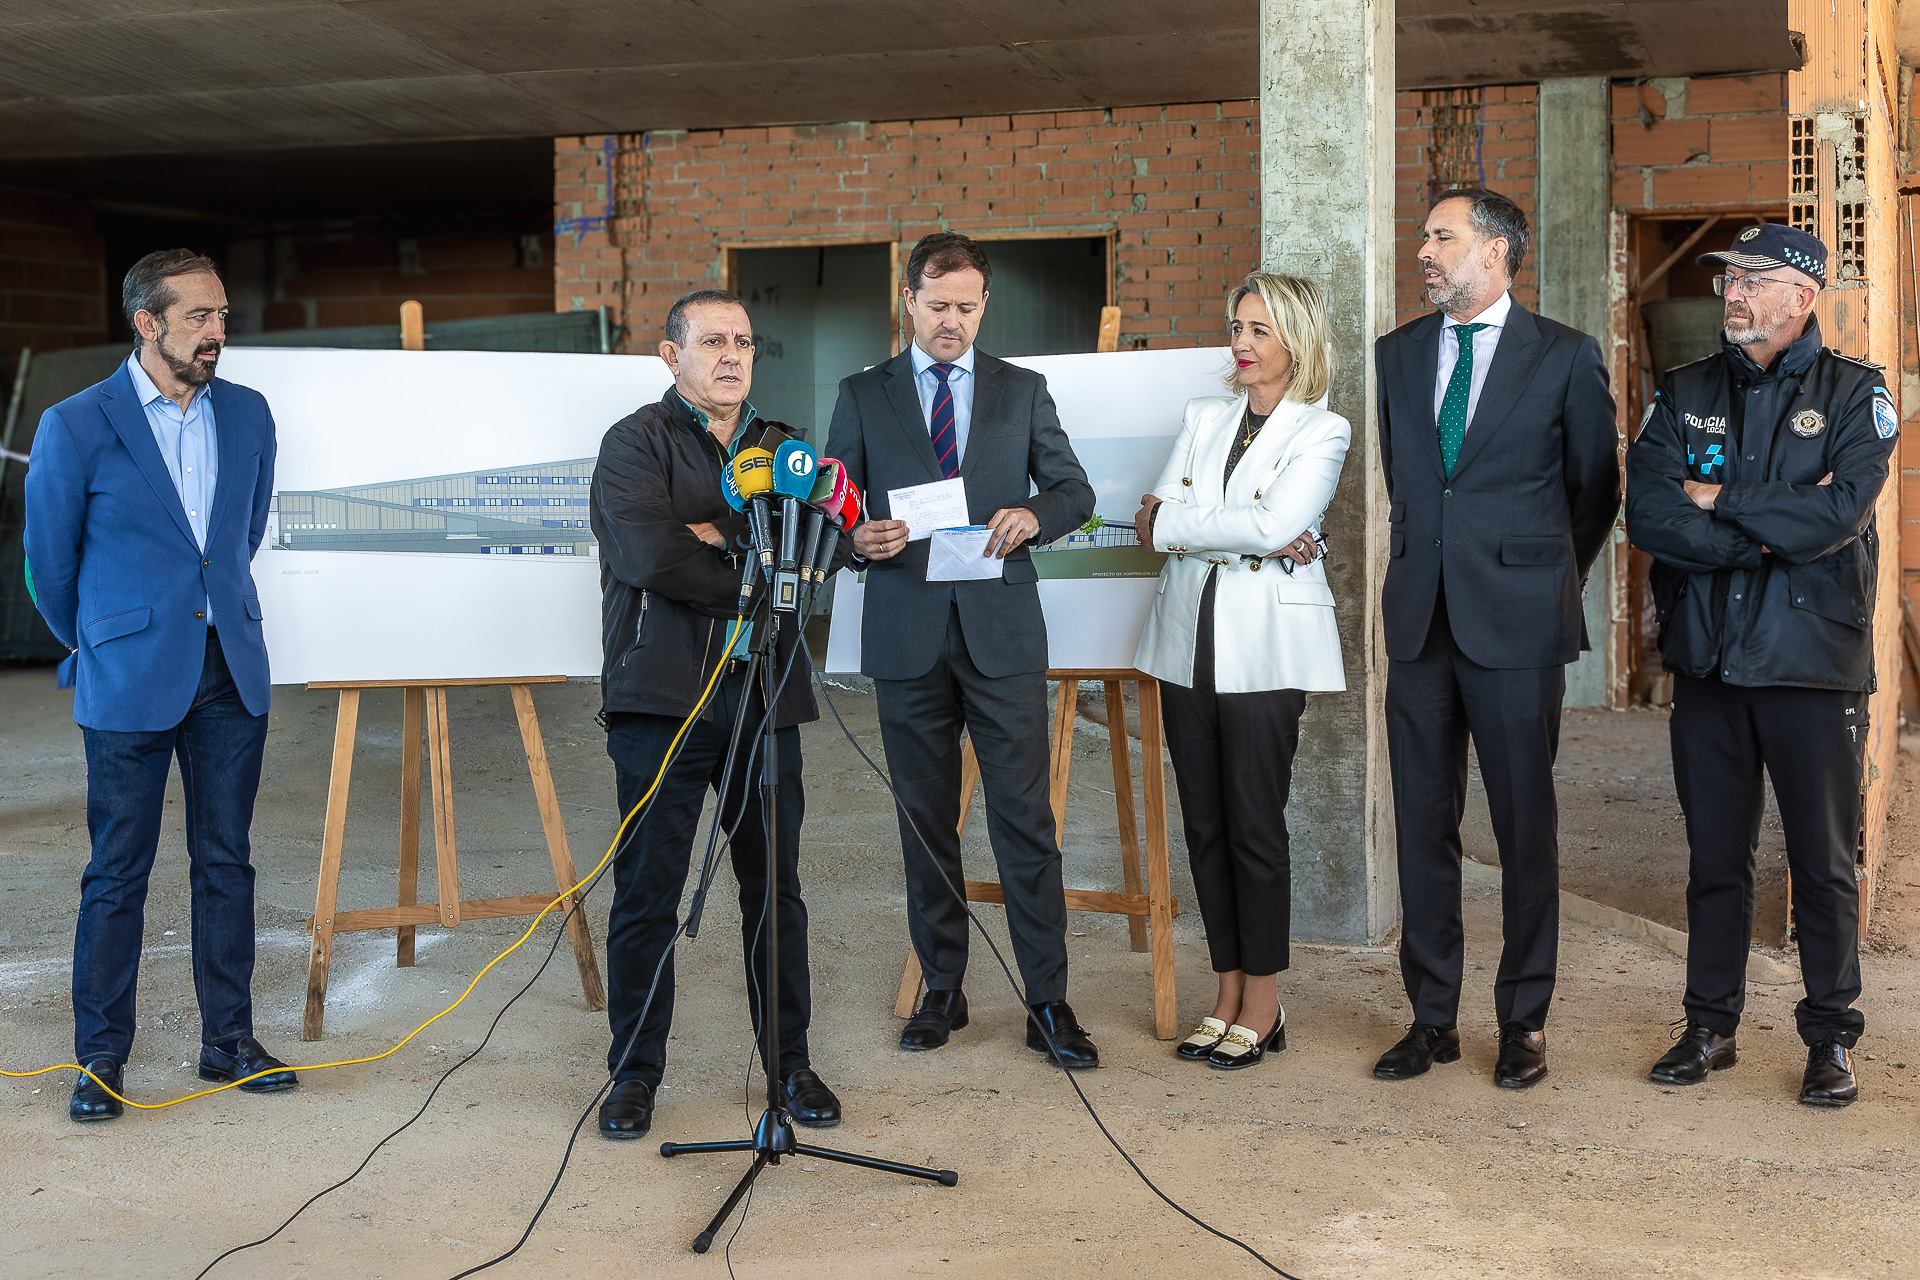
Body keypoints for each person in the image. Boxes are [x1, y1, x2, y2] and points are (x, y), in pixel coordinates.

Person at [24, 248, 294, 1123]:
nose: (218, 332)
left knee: (227, 861)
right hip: (128, 673)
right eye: (198, 317)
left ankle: (229, 1042)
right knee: (117, 872)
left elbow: (239, 536)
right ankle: (101, 1058)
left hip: (228, 668)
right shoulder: (75, 423)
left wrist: (207, 610)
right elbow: (48, 568)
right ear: (148, 323)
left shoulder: (248, 413)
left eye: (222, 316)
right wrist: (107, 639)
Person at [1625, 224, 1891, 1108]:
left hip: (1812, 665)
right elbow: (1651, 516)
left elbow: (1839, 516)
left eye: (1752, 279)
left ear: (1802, 297)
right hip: (1709, 665)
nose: (1732, 293)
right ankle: (1710, 1026)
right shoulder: (1686, 390)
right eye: (1727, 279)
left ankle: (1831, 1037)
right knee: (1715, 859)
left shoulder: (1856, 394)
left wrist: (1721, 498)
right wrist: (1770, 531)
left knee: (1823, 863)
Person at [826, 233, 1101, 1068]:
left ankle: (1048, 1000)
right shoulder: (863, 393)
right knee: (924, 823)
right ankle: (942, 988)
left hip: (1001, 635)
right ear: (909, 300)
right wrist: (855, 539)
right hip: (906, 633)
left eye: (968, 308)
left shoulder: (1022, 389)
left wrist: (1035, 515)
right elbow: (831, 506)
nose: (953, 321)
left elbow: (1075, 491)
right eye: (939, 306)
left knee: (1026, 822)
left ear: (985, 306)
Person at [1372, 189, 1620, 1089]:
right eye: (1424, 237)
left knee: (1523, 825)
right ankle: (1431, 1017)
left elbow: (1596, 490)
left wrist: (1542, 577)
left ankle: (1524, 1021)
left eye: (1442, 237)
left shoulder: (1564, 355)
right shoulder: (1397, 354)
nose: (1424, 251)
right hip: (1420, 620)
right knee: (1421, 823)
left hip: (1518, 622)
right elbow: (1411, 480)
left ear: (1495, 252)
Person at [590, 288, 848, 1140]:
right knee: (649, 892)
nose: (732, 355)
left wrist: (716, 533)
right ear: (671, 356)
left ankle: (790, 1066)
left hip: (765, 696)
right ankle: (633, 1074)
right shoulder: (634, 443)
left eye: (742, 341)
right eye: (711, 342)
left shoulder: (783, 447)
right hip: (661, 699)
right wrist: (754, 558)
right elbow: (649, 553)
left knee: (775, 890)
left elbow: (814, 557)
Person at [1131, 273, 1350, 1071]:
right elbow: (1150, 522)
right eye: (1237, 327)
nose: (1242, 344)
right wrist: (1245, 530)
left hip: (1266, 648)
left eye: (1260, 330)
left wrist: (1202, 525)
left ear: (1298, 339)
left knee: (1255, 823)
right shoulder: (1205, 416)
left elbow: (1272, 523)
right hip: (1185, 641)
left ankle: (1264, 1001)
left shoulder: (1323, 430)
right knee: (1205, 824)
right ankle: (1225, 991)